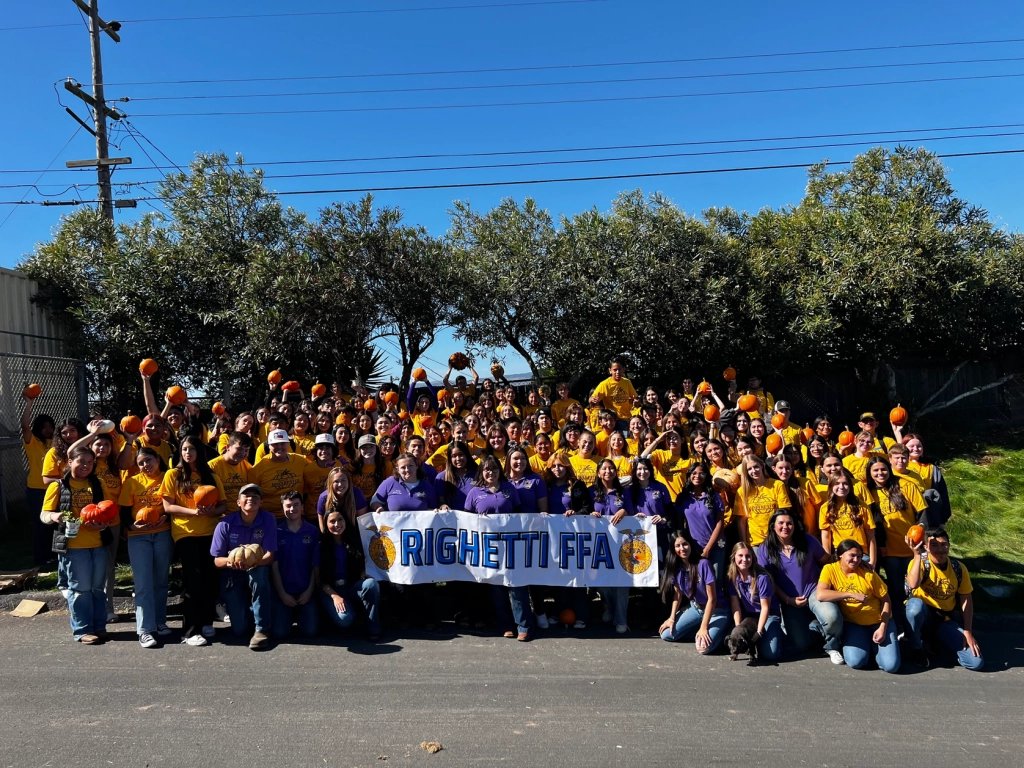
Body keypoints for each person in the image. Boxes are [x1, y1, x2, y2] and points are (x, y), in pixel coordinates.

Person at [161, 435, 227, 646]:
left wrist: (210, 511)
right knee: (193, 582)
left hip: (210, 532)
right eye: (184, 449)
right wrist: (194, 512)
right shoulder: (173, 474)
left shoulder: (211, 477)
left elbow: (223, 506)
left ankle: (206, 621)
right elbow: (168, 507)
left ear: (200, 451)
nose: (187, 453)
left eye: (191, 449)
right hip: (185, 533)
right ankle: (189, 631)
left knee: (210, 580)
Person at [40, 445, 108, 644]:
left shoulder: (98, 483)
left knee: (97, 588)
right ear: (70, 462)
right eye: (81, 461)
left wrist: (103, 524)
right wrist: (55, 516)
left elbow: (106, 510)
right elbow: (44, 515)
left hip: (98, 543)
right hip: (74, 546)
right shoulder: (58, 486)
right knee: (80, 589)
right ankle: (82, 629)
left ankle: (99, 626)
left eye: (89, 462)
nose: (86, 465)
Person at [757, 511, 843, 663]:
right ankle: (817, 627)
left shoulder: (808, 540)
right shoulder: (765, 549)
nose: (785, 527)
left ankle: (832, 646)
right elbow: (768, 581)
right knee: (801, 645)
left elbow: (826, 561)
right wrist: (788, 600)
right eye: (781, 523)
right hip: (789, 599)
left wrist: (847, 561)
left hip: (814, 591)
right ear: (773, 526)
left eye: (789, 523)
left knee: (832, 617)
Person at [464, 456, 533, 641]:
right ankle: (505, 625)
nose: (491, 473)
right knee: (497, 589)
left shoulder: (509, 488)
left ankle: (523, 625)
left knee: (516, 586)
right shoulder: (474, 492)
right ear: (481, 472)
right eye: (487, 469)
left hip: (511, 547)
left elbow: (518, 514)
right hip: (489, 548)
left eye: (494, 469)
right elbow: (467, 521)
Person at [859, 456, 927, 628]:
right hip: (890, 552)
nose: (880, 473)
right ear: (870, 473)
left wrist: (920, 535)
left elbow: (923, 514)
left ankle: (920, 628)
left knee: (919, 590)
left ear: (889, 469)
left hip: (913, 550)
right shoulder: (869, 492)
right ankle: (901, 626)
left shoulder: (906, 485)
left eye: (883, 469)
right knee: (896, 591)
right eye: (875, 470)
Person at [904, 527, 983, 671]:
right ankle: (915, 648)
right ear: (926, 547)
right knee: (914, 607)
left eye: (944, 544)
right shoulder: (920, 562)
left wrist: (968, 631)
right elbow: (913, 584)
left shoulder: (958, 568)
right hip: (924, 613)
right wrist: (916, 555)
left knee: (975, 662)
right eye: (934, 545)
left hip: (943, 619)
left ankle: (933, 642)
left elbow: (966, 600)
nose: (940, 549)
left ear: (949, 545)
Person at [816, 539, 900, 672]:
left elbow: (886, 600)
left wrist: (883, 627)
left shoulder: (867, 572)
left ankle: (879, 646)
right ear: (840, 555)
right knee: (856, 662)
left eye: (859, 556)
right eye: (852, 555)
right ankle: (866, 645)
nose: (856, 560)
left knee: (891, 666)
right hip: (854, 624)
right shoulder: (830, 569)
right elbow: (821, 594)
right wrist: (851, 594)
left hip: (878, 622)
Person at [210, 483, 277, 650]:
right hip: (232, 573)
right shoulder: (225, 524)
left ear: (261, 503)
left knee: (259, 576)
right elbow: (217, 560)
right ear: (238, 502)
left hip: (257, 568)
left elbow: (269, 556)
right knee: (239, 630)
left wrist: (252, 562)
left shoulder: (268, 519)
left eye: (256, 496)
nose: (251, 499)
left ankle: (262, 629)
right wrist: (232, 561)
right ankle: (250, 612)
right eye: (246, 496)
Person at [118, 447, 173, 648]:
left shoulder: (168, 478)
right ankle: (144, 629)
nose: (145, 465)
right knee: (143, 584)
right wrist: (132, 525)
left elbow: (173, 503)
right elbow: (124, 511)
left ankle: (159, 621)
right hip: (138, 537)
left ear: (158, 459)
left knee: (160, 581)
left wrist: (167, 516)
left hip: (163, 533)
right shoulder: (132, 482)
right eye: (140, 463)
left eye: (148, 460)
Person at [659, 531, 730, 653]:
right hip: (696, 609)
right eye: (678, 546)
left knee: (703, 648)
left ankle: (725, 631)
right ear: (673, 548)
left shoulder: (703, 564)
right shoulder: (676, 567)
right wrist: (671, 618)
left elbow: (712, 599)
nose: (682, 548)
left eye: (685, 544)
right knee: (666, 634)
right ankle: (702, 631)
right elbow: (678, 595)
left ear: (691, 544)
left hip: (717, 611)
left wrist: (704, 627)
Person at [317, 507, 381, 641]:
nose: (337, 525)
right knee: (345, 620)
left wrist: (363, 572)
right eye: (332, 521)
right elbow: (320, 580)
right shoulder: (321, 546)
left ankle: (373, 628)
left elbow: (363, 564)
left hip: (351, 587)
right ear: (326, 524)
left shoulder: (355, 541)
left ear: (346, 521)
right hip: (330, 590)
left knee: (371, 584)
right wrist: (335, 597)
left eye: (340, 520)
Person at [590, 458, 636, 633]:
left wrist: (624, 510)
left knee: (622, 582)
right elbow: (584, 511)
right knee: (602, 583)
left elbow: (631, 511)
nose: (608, 471)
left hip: (621, 543)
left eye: (611, 468)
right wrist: (590, 513)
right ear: (599, 472)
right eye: (604, 469)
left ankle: (621, 620)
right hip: (599, 544)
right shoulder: (591, 491)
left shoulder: (623, 492)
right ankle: (610, 606)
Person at [271, 491, 319, 640]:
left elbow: (315, 566)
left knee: (310, 632)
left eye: (296, 505)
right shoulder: (276, 532)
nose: (292, 509)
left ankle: (300, 615)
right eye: (288, 506)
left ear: (303, 507)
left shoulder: (313, 531)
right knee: (280, 633)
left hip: (306, 591)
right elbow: (274, 566)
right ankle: (288, 615)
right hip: (283, 592)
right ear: (282, 508)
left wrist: (310, 591)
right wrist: (282, 594)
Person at [727, 542, 783, 662]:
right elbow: (735, 605)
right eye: (740, 556)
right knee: (733, 640)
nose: (744, 559)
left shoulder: (761, 578)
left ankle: (779, 637)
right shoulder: (733, 577)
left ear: (753, 558)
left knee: (770, 655)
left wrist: (759, 632)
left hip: (768, 614)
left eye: (748, 556)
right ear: (734, 558)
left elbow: (765, 608)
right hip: (750, 616)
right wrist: (738, 627)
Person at [676, 463, 728, 581]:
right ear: (689, 476)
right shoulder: (683, 498)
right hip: (692, 548)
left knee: (715, 582)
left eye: (701, 473)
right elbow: (680, 526)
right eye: (694, 473)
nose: (697, 476)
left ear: (706, 477)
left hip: (715, 547)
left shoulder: (714, 497)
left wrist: (708, 549)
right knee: (695, 582)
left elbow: (720, 523)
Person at [20, 392, 55, 567]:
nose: (48, 430)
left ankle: (53, 556)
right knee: (41, 525)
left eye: (51, 426)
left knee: (54, 525)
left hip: (54, 488)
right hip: (37, 489)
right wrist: (29, 404)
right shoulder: (32, 442)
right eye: (45, 427)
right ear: (38, 428)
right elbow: (25, 426)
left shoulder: (55, 443)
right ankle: (41, 560)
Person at [819, 470, 875, 567]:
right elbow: (825, 536)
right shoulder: (825, 508)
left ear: (850, 486)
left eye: (845, 484)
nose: (841, 487)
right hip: (839, 553)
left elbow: (871, 536)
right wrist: (827, 558)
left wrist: (872, 562)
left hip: (861, 553)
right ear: (831, 486)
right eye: (837, 484)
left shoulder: (861, 505)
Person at [248, 429, 308, 518]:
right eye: (275, 444)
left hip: (296, 515)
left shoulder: (301, 460)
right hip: (270, 517)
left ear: (288, 444)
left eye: (283, 443)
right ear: (269, 446)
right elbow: (253, 496)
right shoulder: (258, 469)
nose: (279, 447)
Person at [735, 454, 791, 547]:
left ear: (762, 465)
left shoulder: (777, 485)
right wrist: (744, 543)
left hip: (777, 539)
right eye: (749, 469)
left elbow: (785, 512)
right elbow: (741, 521)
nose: (754, 471)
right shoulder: (742, 491)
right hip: (755, 542)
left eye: (756, 467)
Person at [593, 358, 638, 429]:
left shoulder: (627, 382)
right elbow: (592, 398)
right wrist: (593, 399)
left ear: (624, 369)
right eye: (615, 370)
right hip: (613, 420)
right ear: (610, 370)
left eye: (620, 369)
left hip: (627, 418)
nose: (617, 372)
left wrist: (635, 401)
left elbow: (635, 398)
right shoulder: (604, 384)